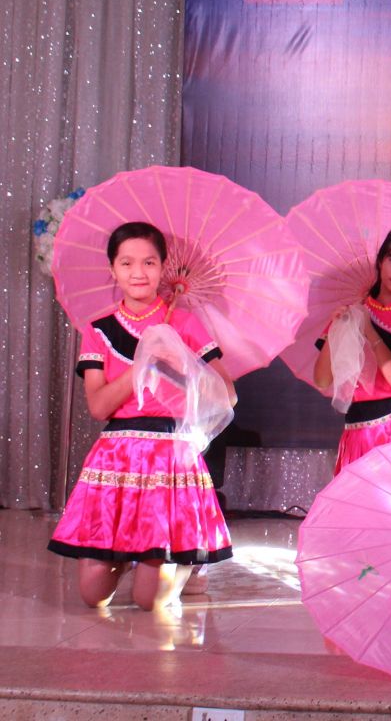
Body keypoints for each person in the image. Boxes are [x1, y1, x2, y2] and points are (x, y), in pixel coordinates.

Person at [48, 222, 234, 610]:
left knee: (149, 601)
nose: (138, 272)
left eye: (149, 262)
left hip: (171, 457)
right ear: (112, 269)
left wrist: (179, 365)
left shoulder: (184, 324)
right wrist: (141, 364)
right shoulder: (98, 330)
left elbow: (226, 395)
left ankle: (186, 564)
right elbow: (99, 407)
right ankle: (133, 556)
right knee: (93, 595)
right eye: (127, 263)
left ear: (163, 267)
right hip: (116, 457)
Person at [312, 225, 391, 474]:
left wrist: (369, 331)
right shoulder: (351, 314)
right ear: (380, 261)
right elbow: (323, 379)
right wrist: (338, 329)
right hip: (357, 431)